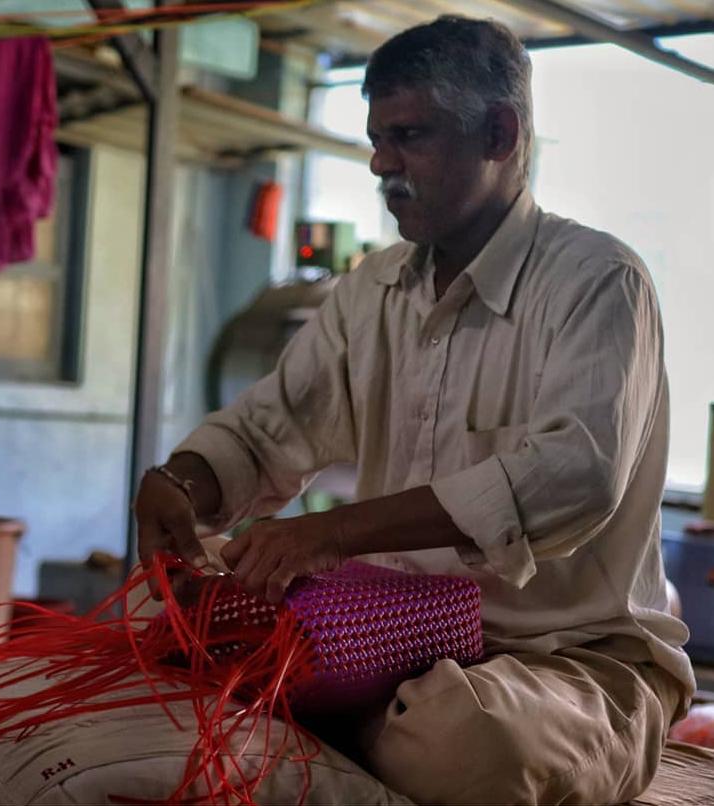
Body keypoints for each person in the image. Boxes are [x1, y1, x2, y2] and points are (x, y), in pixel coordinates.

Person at [135, 15, 694, 805]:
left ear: (500, 134)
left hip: (561, 664)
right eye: (376, 138)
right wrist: (181, 481)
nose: (380, 164)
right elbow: (269, 431)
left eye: (410, 136)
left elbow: (575, 477)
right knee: (150, 615)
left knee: (463, 746)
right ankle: (344, 714)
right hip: (387, 640)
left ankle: (330, 718)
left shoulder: (598, 281)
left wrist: (329, 534)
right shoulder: (373, 289)